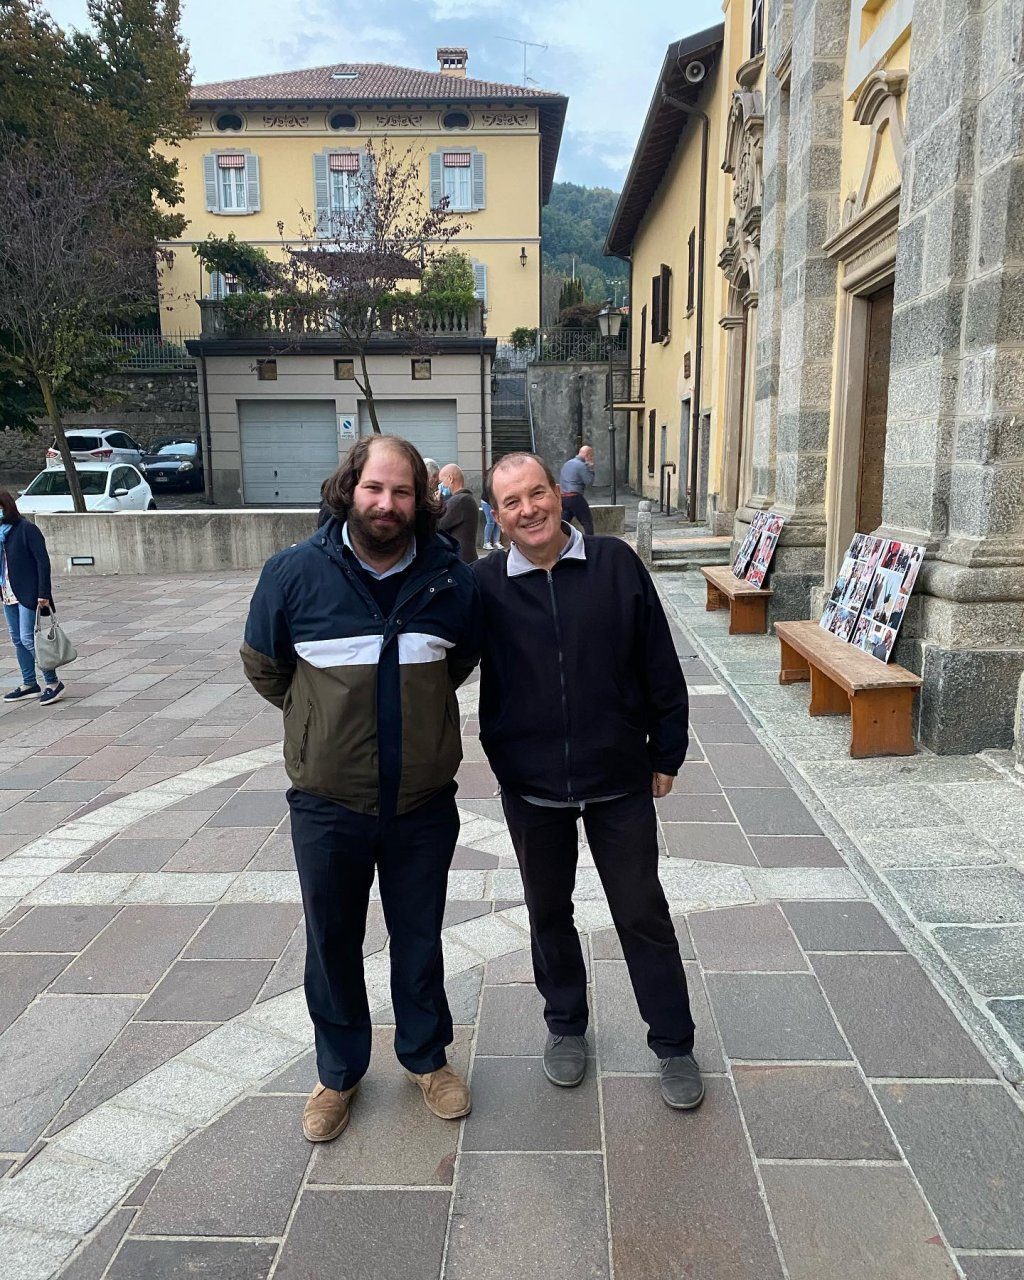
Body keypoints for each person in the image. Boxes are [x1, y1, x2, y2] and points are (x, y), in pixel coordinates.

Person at [241, 436, 481, 1143]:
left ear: (422, 500)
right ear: (349, 488)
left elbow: (457, 662)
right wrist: (321, 723)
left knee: (419, 938)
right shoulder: (293, 575)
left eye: (403, 492)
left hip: (421, 806)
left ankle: (426, 1059)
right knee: (332, 942)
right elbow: (265, 666)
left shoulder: (451, 580)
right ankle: (339, 1073)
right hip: (327, 806)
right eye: (375, 488)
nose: (387, 503)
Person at [471, 453, 702, 1110]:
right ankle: (565, 1026)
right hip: (532, 785)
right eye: (511, 501)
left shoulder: (615, 565)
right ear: (496, 515)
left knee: (641, 912)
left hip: (617, 777)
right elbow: (439, 658)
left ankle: (674, 1042)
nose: (529, 510)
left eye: (536, 493)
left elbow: (660, 660)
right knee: (549, 913)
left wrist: (669, 750)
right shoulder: (483, 585)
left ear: (559, 494)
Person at [0, 491, 65, 705]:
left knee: (29, 639)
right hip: (7, 592)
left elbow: (42, 561)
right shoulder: (2, 533)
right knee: (18, 640)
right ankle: (29, 682)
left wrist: (43, 593)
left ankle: (53, 682)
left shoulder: (26, 529)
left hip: (28, 592)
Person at [437, 463, 479, 563]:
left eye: (441, 481)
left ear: (450, 478)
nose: (440, 486)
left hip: (461, 560)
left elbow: (437, 526)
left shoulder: (459, 501)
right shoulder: (467, 498)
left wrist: (435, 504)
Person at [558, 444, 596, 535]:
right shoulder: (582, 466)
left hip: (564, 497)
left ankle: (559, 541)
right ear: (587, 455)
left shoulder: (567, 463)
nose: (592, 458)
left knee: (564, 523)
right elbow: (589, 481)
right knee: (587, 522)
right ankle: (590, 542)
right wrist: (590, 467)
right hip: (575, 497)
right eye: (591, 456)